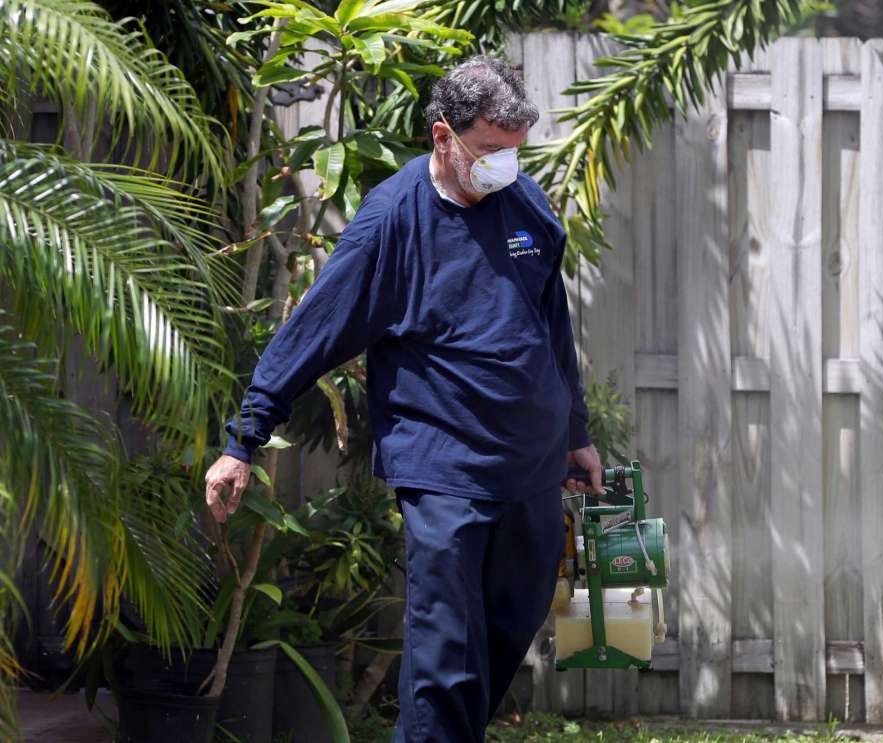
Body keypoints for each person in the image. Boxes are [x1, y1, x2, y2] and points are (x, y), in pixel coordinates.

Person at [205, 55, 603, 742]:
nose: (504, 165)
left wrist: (576, 432)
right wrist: (243, 440)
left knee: (508, 627)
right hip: (442, 463)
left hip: (532, 467)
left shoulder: (527, 206)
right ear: (441, 138)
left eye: (514, 151)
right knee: (443, 656)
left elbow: (552, 328)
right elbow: (313, 331)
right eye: (489, 151)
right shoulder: (391, 221)